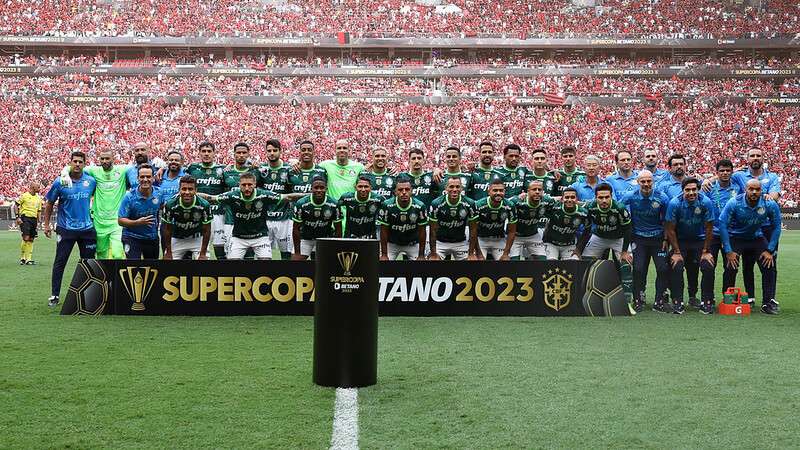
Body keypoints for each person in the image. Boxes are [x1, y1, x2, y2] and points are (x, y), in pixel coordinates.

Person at [202, 173, 303, 260]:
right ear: (239, 185)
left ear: (255, 184)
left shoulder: (263, 195)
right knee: (232, 266)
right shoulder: (232, 195)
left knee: (266, 262)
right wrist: (191, 194)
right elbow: (211, 198)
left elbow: (288, 197)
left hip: (260, 237)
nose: (247, 188)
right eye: (244, 185)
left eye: (250, 185)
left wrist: (311, 195)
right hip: (238, 238)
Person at [719, 179, 781, 315]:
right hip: (736, 237)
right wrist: (728, 251)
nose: (754, 192)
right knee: (731, 266)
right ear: (745, 190)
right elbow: (722, 224)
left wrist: (770, 250)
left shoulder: (769, 203)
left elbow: (776, 226)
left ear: (761, 190)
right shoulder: (734, 202)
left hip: (756, 238)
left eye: (757, 189)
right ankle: (727, 299)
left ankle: (767, 303)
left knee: (769, 265)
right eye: (751, 189)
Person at [43, 151, 97, 307]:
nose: (78, 164)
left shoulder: (91, 181)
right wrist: (46, 224)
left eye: (81, 161)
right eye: (75, 161)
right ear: (70, 163)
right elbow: (49, 203)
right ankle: (54, 295)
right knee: (60, 262)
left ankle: (89, 296)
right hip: (66, 229)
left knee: (88, 263)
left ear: (85, 163)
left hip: (87, 229)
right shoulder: (60, 182)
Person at [730, 147, 782, 308]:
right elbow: (721, 175)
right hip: (747, 228)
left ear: (763, 158)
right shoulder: (739, 175)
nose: (755, 158)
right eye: (752, 155)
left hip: (766, 228)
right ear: (747, 159)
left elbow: (775, 195)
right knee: (747, 263)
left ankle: (769, 298)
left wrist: (767, 197)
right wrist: (706, 181)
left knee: (769, 262)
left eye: (758, 155)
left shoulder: (771, 177)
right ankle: (750, 297)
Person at [578, 183, 634, 308]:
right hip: (599, 237)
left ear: (611, 196)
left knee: (626, 265)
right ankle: (584, 296)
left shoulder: (620, 208)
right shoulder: (591, 207)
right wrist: (578, 249)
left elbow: (628, 230)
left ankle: (627, 301)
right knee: (585, 264)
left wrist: (624, 251)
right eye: (600, 197)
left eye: (607, 197)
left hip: (618, 238)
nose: (604, 200)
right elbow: (586, 229)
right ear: (595, 197)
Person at [620, 171, 671, 312]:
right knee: (638, 269)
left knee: (662, 268)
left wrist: (666, 239)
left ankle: (659, 300)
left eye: (649, 181)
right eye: (643, 181)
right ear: (638, 182)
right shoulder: (631, 196)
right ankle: (639, 299)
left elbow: (667, 221)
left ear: (653, 182)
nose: (646, 184)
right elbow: (618, 209)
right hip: (638, 238)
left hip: (658, 239)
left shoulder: (662, 197)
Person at [664, 178, 716, 314]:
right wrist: (676, 251)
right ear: (682, 191)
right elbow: (670, 229)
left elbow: (709, 228)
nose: (691, 193)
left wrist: (706, 251)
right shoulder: (674, 203)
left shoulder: (706, 202)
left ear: (698, 190)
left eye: (694, 189)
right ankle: (677, 301)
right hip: (680, 241)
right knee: (677, 265)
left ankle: (707, 301)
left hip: (699, 241)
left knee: (708, 265)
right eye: (687, 190)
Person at [185, 142, 227, 259]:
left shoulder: (223, 169)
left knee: (220, 250)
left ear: (214, 153)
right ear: (199, 153)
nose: (206, 154)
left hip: (218, 215)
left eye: (209, 151)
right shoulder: (192, 168)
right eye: (203, 151)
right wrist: (162, 169)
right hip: (198, 215)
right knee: (198, 250)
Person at [221, 143, 262, 257]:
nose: (241, 155)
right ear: (234, 154)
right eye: (238, 153)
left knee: (250, 255)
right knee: (231, 256)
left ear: (248, 154)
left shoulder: (255, 171)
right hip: (231, 221)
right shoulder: (226, 172)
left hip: (251, 220)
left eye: (244, 153)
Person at [161, 176, 212, 260]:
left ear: (196, 190)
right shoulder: (170, 204)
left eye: (190, 189)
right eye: (184, 189)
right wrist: (169, 252)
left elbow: (207, 230)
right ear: (179, 190)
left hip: (197, 238)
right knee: (168, 265)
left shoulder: (204, 205)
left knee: (204, 265)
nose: (187, 192)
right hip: (177, 238)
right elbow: (167, 229)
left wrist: (202, 254)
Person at [118, 164, 163, 259]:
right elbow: (121, 220)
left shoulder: (159, 193)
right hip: (131, 237)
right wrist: (137, 222)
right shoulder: (129, 197)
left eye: (148, 176)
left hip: (151, 237)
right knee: (134, 267)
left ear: (153, 178)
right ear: (138, 178)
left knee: (152, 268)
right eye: (142, 177)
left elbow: (163, 207)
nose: (145, 179)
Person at [259, 139, 294, 260]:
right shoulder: (261, 170)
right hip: (265, 218)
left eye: (275, 150)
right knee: (263, 255)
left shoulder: (289, 169)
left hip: (284, 218)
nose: (272, 153)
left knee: (286, 253)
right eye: (269, 150)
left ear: (280, 151)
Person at [377, 176, 428, 260]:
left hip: (412, 243)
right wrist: (384, 254)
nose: (404, 192)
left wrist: (421, 255)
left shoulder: (420, 206)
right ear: (395, 191)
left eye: (407, 189)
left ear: (412, 191)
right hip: (392, 243)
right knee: (383, 267)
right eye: (400, 190)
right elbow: (383, 230)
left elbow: (422, 231)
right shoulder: (387, 205)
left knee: (420, 270)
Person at [292, 176, 343, 259]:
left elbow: (338, 229)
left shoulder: (334, 204)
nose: (319, 190)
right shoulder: (301, 203)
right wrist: (297, 252)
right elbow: (295, 228)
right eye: (316, 188)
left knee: (323, 266)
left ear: (326, 189)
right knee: (296, 263)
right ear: (311, 189)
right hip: (305, 238)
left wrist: (336, 248)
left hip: (324, 239)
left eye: (322, 188)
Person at [428, 177, 478, 261]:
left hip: (461, 243)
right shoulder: (436, 203)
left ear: (462, 188)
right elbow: (432, 231)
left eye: (457, 187)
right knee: (433, 262)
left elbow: (473, 230)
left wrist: (471, 253)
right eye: (451, 187)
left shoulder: (470, 203)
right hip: (441, 242)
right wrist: (433, 254)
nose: (454, 189)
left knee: (472, 263)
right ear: (446, 188)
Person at [511, 179, 555, 261]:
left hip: (533, 235)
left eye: (540, 189)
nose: (537, 192)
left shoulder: (547, 201)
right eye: (534, 189)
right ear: (528, 191)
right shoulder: (517, 201)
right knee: (514, 261)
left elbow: (558, 202)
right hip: (516, 236)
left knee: (543, 260)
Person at [474, 179, 517, 260]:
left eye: (501, 190)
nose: (498, 193)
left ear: (504, 191)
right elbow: (473, 230)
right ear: (489, 191)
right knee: (478, 263)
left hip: (499, 239)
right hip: (481, 239)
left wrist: (506, 253)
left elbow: (512, 231)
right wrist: (479, 254)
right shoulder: (479, 205)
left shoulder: (510, 206)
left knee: (505, 263)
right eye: (495, 190)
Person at [542, 187, 589, 260]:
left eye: (572, 197)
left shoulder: (583, 213)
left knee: (573, 264)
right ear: (562, 199)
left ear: (577, 199)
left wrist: (578, 249)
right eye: (567, 197)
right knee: (551, 262)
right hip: (551, 244)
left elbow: (587, 231)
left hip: (569, 245)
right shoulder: (554, 208)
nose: (569, 200)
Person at [158, 150, 187, 256]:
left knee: (183, 254)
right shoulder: (159, 177)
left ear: (182, 162)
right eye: (171, 160)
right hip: (165, 220)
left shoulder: (186, 176)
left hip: (182, 220)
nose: (174, 162)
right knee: (166, 252)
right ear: (167, 161)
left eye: (176, 160)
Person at [14, 181, 43, 265]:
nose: (39, 189)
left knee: (31, 239)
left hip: (34, 219)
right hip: (25, 218)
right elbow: (16, 205)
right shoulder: (24, 196)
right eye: (38, 187)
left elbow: (39, 210)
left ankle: (28, 259)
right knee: (26, 237)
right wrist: (17, 217)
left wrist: (39, 221)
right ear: (33, 188)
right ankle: (24, 258)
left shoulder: (38, 198)